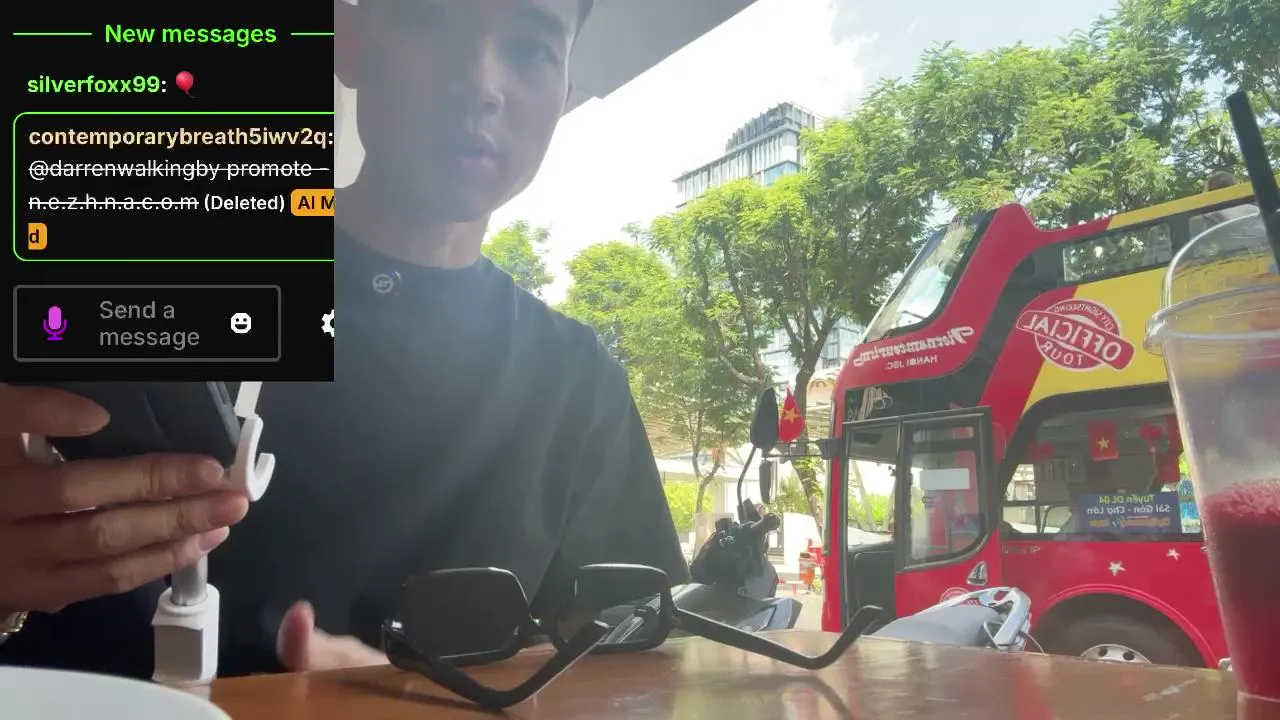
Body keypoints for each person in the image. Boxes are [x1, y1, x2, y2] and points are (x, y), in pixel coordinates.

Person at [0, 0, 688, 679]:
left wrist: (416, 689)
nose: (480, 85)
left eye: (530, 48)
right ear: (350, 43)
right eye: (431, 21)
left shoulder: (577, 380)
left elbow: (630, 646)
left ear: (563, 90)